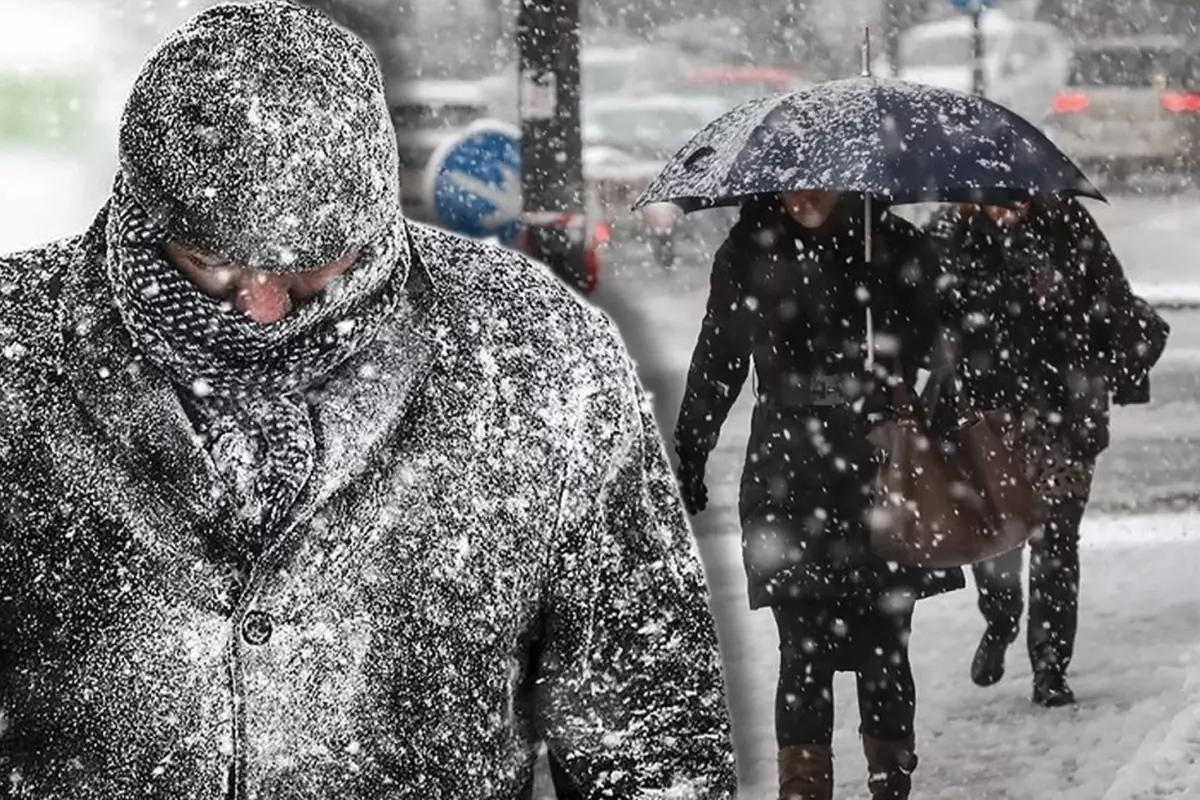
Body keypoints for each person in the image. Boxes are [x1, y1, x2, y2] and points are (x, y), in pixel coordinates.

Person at [0, 4, 738, 798]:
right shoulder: (16, 357)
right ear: (144, 217)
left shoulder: (537, 355)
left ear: (375, 219)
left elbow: (652, 730)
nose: (263, 308)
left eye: (312, 267)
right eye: (209, 262)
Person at [675, 190, 964, 800]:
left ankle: (890, 779)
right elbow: (720, 355)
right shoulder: (749, 252)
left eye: (821, 181)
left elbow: (944, 343)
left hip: (880, 469)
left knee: (886, 646)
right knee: (801, 650)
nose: (806, 193)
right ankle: (803, 789)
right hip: (788, 474)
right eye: (792, 181)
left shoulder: (891, 245)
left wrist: (886, 337)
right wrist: (692, 446)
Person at [924, 198, 1168, 708]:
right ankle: (1001, 620)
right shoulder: (950, 233)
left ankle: (1051, 666)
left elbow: (1113, 303)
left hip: (1062, 417)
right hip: (985, 418)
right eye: (993, 198)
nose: (1007, 209)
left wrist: (1067, 299)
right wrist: (976, 296)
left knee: (1056, 545)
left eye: (1016, 198)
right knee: (996, 544)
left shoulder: (1069, 224)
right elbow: (922, 317)